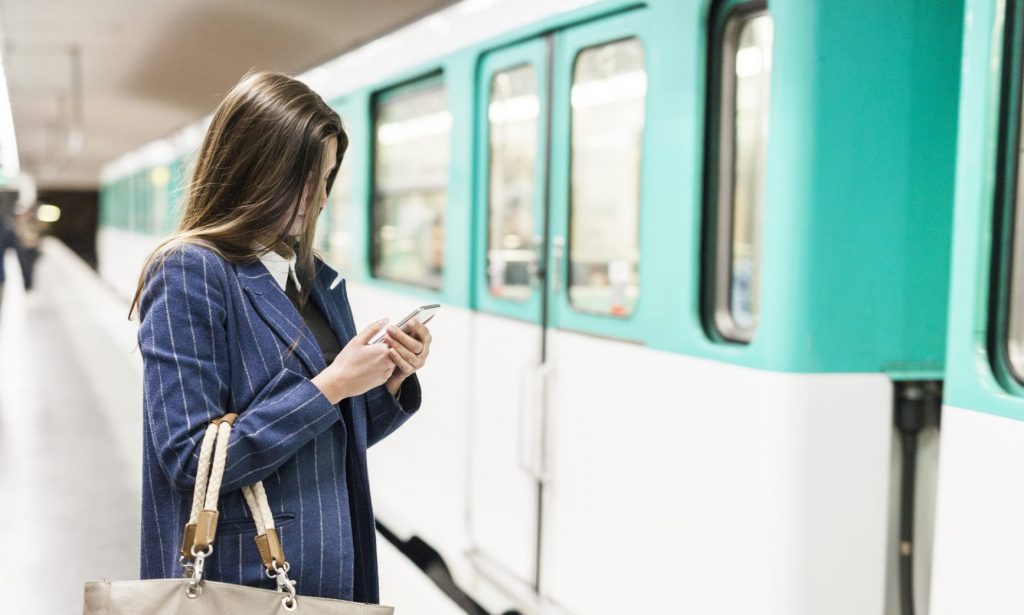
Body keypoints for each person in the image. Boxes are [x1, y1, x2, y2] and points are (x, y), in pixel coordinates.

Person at [129, 71, 432, 604]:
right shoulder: (190, 271)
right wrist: (332, 386)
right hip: (242, 580)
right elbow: (187, 457)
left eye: (326, 178)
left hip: (329, 567)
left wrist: (388, 379)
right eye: (302, 179)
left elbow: (329, 441)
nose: (317, 199)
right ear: (250, 170)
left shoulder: (316, 280)